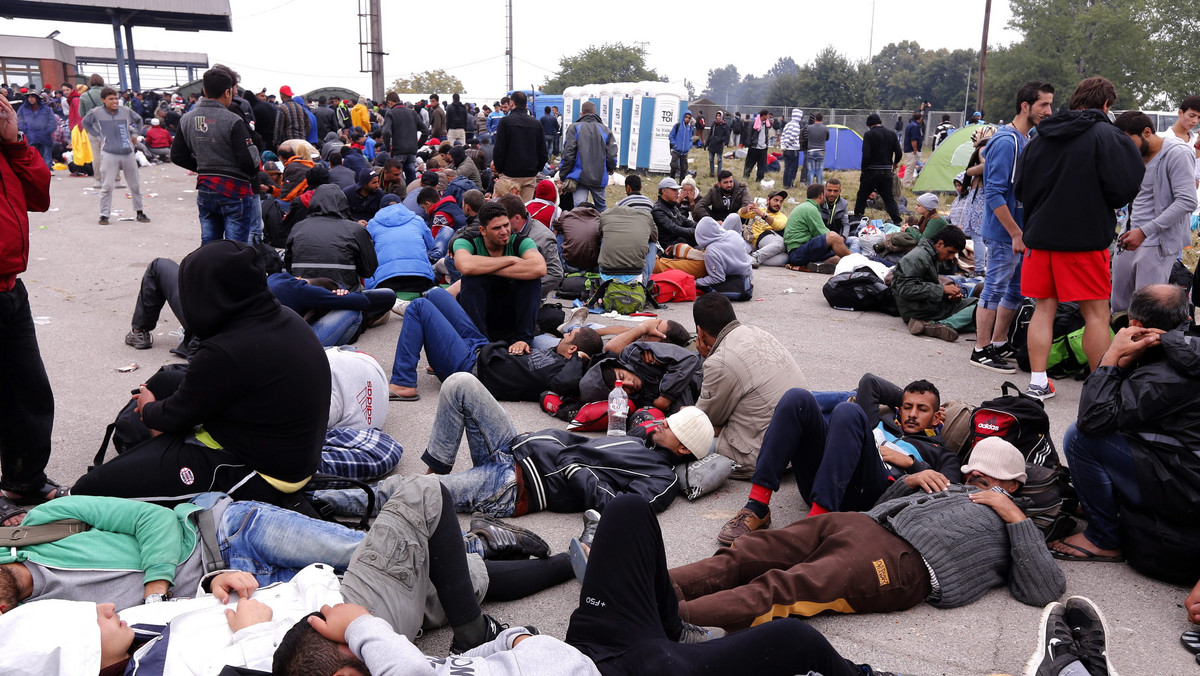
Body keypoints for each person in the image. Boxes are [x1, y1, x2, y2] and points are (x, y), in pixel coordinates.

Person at [671, 437, 1066, 631]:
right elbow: (881, 506)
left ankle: (666, 619)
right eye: (971, 470)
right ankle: (656, 586)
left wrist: (1016, 518)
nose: (975, 477)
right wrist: (909, 482)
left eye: (989, 475)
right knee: (750, 550)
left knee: (786, 587)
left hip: (902, 564)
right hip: (861, 524)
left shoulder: (1014, 525)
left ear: (1013, 485)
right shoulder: (954, 487)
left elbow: (1044, 590)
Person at [71, 241, 330, 511]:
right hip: (286, 450)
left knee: (89, 490)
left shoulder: (225, 349)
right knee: (166, 380)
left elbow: (173, 415)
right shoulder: (284, 317)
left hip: (260, 472)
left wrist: (147, 408)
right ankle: (157, 449)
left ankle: (152, 458)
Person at [1050, 285, 1200, 575]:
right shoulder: (1187, 346)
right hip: (1186, 469)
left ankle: (1103, 538)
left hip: (1186, 489)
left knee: (1080, 438)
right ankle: (1103, 504)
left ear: (1135, 325)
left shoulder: (1166, 374)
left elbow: (1093, 419)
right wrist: (1129, 361)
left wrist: (1111, 359)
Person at [717, 376, 966, 545]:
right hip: (826, 480)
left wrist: (911, 464)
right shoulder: (880, 423)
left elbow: (953, 491)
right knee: (797, 398)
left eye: (922, 409)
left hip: (872, 493)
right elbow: (870, 382)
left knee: (847, 410)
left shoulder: (940, 453)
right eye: (907, 407)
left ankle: (814, 525)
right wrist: (902, 401)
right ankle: (757, 506)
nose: (912, 414)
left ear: (936, 418)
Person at [418, 372, 711, 515]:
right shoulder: (644, 440)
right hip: (513, 446)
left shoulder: (663, 478)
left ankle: (412, 492)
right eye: (670, 419)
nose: (664, 422)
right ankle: (438, 472)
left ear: (683, 449)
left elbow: (621, 510)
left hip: (515, 484)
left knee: (408, 493)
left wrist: (575, 470)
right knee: (460, 383)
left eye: (673, 427)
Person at [1016, 77, 1145, 399]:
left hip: (1040, 238)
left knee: (1043, 309)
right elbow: (1124, 187)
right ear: (1106, 106)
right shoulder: (1107, 136)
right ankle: (1099, 386)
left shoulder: (1039, 137)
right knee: (1096, 315)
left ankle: (1037, 382)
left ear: (1075, 101)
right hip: (1084, 241)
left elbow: (1020, 188)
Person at [970, 82, 1056, 376]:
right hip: (1003, 233)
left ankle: (998, 342)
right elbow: (993, 193)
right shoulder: (1006, 141)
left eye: (1050, 104)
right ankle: (980, 350)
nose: (1049, 111)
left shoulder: (1027, 139)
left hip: (1021, 233)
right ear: (1025, 106)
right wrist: (1015, 233)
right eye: (1043, 105)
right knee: (993, 288)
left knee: (1016, 290)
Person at [386, 286, 602, 401]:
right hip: (481, 347)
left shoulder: (563, 373)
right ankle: (440, 356)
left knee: (419, 307)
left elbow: (568, 384)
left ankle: (404, 382)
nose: (565, 335)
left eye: (570, 336)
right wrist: (521, 344)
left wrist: (579, 359)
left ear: (573, 350)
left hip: (468, 367)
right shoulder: (554, 355)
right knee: (436, 294)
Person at [0, 94, 57, 527]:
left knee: (29, 393)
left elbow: (38, 197)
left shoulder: (7, 148)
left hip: (9, 289)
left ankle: (23, 479)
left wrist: (16, 141)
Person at [692, 293, 804, 478]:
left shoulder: (720, 362)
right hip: (797, 444)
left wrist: (708, 358)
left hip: (761, 453)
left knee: (687, 443)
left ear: (700, 331)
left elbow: (705, 421)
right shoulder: (756, 332)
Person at [1110, 111, 1198, 313]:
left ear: (1147, 132)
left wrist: (1144, 231)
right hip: (1128, 237)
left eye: (1128, 141)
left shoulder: (1177, 153)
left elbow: (1187, 201)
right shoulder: (1137, 156)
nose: (1125, 148)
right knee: (1119, 308)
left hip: (1156, 242)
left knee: (1146, 311)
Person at [171, 66, 261, 244]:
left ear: (204, 90)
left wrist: (204, 167)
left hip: (205, 189)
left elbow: (177, 155)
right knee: (235, 248)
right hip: (234, 191)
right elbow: (250, 161)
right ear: (228, 92)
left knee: (209, 244)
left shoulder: (187, 119)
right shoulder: (232, 120)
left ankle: (209, 272)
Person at [453, 201, 546, 344]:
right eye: (497, 228)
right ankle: (480, 344)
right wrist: (510, 259)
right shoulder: (466, 241)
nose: (504, 231)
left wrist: (483, 267)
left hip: (512, 313)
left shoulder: (521, 242)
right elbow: (465, 266)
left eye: (506, 225)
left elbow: (539, 268)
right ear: (483, 230)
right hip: (483, 312)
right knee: (471, 280)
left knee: (531, 280)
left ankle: (523, 340)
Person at [285, 184, 379, 292]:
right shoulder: (355, 229)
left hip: (305, 294)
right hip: (343, 296)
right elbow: (368, 270)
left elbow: (289, 267)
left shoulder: (298, 228)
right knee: (387, 296)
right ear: (343, 203)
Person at [893, 225, 975, 342]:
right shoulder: (918, 257)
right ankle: (939, 324)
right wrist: (942, 290)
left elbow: (925, 284)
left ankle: (932, 325)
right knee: (979, 307)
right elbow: (905, 289)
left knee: (983, 319)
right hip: (918, 309)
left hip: (925, 305)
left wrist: (949, 296)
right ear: (940, 244)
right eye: (950, 252)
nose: (951, 257)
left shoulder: (930, 255)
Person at [82, 87, 148, 226]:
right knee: (107, 185)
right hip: (109, 153)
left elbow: (139, 120)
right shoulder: (96, 113)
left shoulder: (125, 111)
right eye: (111, 99)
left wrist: (135, 135)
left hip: (128, 153)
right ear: (103, 100)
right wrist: (98, 134)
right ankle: (104, 215)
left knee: (135, 185)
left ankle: (140, 212)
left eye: (116, 98)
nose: (115, 101)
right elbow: (85, 122)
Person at [497, 193, 563, 299]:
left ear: (517, 218)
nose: (501, 226)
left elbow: (555, 273)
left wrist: (523, 290)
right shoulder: (505, 232)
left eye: (504, 222)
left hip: (525, 298)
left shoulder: (542, 237)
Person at [561, 101, 617, 212]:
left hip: (578, 177)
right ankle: (603, 228)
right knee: (602, 207)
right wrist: (611, 168)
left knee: (579, 209)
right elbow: (611, 154)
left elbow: (568, 154)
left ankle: (581, 228)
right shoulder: (605, 130)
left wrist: (563, 174)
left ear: (581, 114)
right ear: (595, 113)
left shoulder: (574, 128)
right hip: (599, 177)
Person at [783, 183, 850, 273]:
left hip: (798, 253)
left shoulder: (805, 206)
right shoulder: (810, 209)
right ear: (821, 195)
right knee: (833, 236)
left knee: (837, 259)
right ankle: (856, 261)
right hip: (798, 252)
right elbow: (825, 234)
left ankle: (816, 265)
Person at [492, 91, 547, 201]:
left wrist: (500, 169)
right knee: (524, 211)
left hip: (509, 174)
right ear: (525, 104)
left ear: (512, 103)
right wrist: (536, 169)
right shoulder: (536, 124)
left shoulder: (505, 122)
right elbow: (543, 152)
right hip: (529, 174)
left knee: (507, 210)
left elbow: (499, 149)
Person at [852, 113, 903, 224]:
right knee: (889, 198)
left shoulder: (869, 135)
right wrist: (895, 163)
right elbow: (899, 152)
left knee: (862, 195)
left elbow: (866, 155)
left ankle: (858, 218)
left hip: (871, 171)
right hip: (886, 172)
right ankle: (897, 220)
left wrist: (863, 169)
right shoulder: (892, 134)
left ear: (869, 125)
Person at [693, 216, 753, 295]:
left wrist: (696, 282)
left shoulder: (711, 251)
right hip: (749, 274)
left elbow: (718, 278)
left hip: (735, 280)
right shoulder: (733, 233)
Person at [380, 94, 429, 184]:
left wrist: (388, 149)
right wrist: (417, 146)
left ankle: (401, 196)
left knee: (398, 179)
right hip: (412, 150)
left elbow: (386, 132)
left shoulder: (390, 113)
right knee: (411, 177)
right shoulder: (412, 112)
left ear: (390, 102)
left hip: (398, 150)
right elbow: (426, 131)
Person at [744, 189, 790, 267]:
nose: (778, 204)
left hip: (763, 242)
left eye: (781, 202)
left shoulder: (782, 216)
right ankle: (752, 258)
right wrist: (747, 208)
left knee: (785, 257)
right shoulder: (760, 210)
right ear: (768, 200)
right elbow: (741, 214)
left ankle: (753, 257)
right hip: (748, 240)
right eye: (776, 200)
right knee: (733, 217)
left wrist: (763, 215)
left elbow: (779, 225)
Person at [652, 177, 698, 248]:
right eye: (674, 190)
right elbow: (675, 229)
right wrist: (696, 232)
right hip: (669, 248)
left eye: (677, 190)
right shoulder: (658, 211)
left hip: (680, 242)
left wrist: (701, 227)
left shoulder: (672, 207)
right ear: (664, 191)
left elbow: (685, 221)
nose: (677, 192)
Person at [557, 201, 602, 271]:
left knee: (560, 233)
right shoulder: (600, 220)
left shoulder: (567, 217)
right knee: (603, 235)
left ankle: (559, 265)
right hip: (594, 265)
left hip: (569, 265)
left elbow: (555, 224)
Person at [15, 92, 55, 168]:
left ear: (37, 98)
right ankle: (35, 169)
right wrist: (26, 130)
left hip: (45, 136)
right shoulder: (23, 109)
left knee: (46, 153)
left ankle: (48, 169)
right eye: (29, 97)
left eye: (33, 97)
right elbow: (19, 120)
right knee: (32, 154)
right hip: (31, 136)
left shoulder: (46, 109)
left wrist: (48, 131)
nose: (31, 99)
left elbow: (52, 121)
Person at [743, 110, 771, 182]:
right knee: (749, 164)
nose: (768, 117)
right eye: (767, 115)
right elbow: (749, 134)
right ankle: (746, 177)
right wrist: (750, 143)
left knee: (762, 166)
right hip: (754, 147)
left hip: (763, 148)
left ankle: (759, 179)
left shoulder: (766, 124)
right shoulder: (753, 123)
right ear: (763, 115)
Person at [779, 108, 804, 188]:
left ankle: (785, 184)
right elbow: (793, 137)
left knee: (787, 168)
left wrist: (783, 146)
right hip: (793, 150)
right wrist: (787, 145)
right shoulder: (796, 125)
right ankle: (790, 184)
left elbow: (782, 135)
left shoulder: (788, 124)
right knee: (793, 168)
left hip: (786, 150)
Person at [668, 111, 695, 184]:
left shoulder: (690, 128)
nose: (687, 119)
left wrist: (689, 145)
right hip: (676, 150)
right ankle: (671, 182)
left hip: (684, 152)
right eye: (686, 117)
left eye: (689, 118)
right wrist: (674, 144)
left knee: (684, 169)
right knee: (673, 166)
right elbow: (671, 136)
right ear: (683, 117)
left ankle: (681, 184)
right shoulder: (677, 126)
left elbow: (690, 138)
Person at [900, 112, 925, 189]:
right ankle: (907, 184)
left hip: (908, 149)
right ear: (920, 118)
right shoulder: (915, 127)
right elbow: (913, 140)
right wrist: (915, 149)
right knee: (910, 167)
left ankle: (907, 181)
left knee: (910, 166)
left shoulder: (910, 125)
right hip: (911, 150)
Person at [805, 112, 830, 185]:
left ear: (815, 119)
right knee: (819, 170)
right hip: (821, 150)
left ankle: (810, 186)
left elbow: (807, 137)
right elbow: (827, 138)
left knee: (811, 170)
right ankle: (819, 186)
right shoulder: (825, 128)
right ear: (822, 119)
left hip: (811, 150)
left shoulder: (809, 128)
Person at [706, 111, 730, 177]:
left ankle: (719, 174)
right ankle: (712, 173)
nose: (718, 117)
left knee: (719, 160)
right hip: (712, 144)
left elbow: (727, 135)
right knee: (711, 159)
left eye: (719, 116)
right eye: (717, 116)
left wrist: (720, 139)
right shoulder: (713, 124)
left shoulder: (725, 125)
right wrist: (707, 143)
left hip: (719, 145)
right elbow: (710, 134)